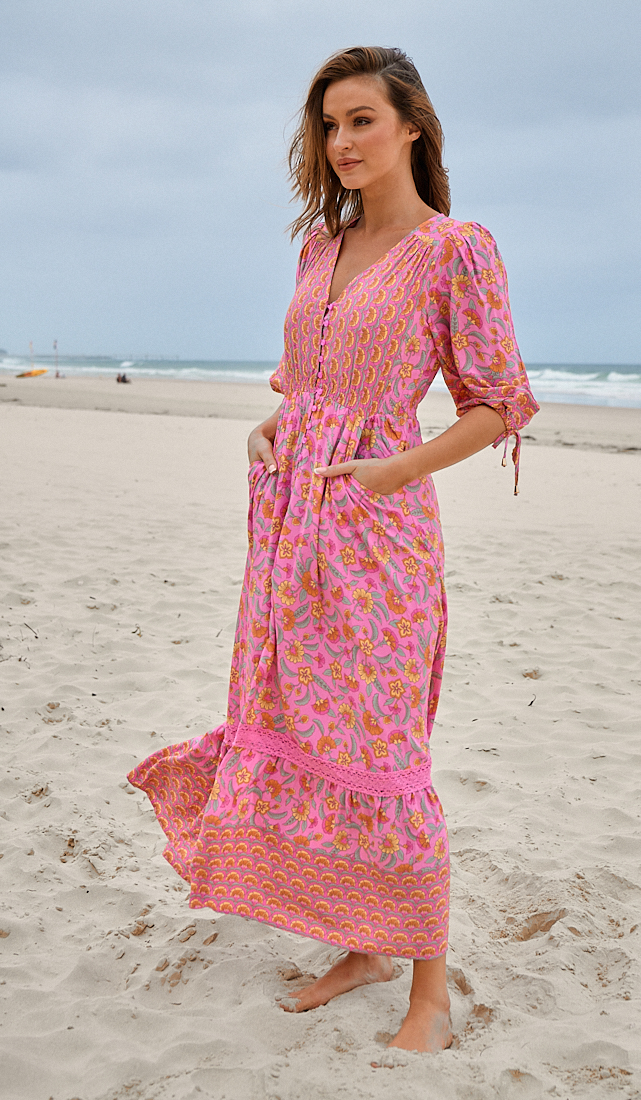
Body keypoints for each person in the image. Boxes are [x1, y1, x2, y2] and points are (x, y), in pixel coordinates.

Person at [128, 45, 538, 1054]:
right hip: (284, 529)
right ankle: (363, 947)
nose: (341, 141)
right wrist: (271, 426)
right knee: (305, 733)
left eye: (361, 120)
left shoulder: (454, 249)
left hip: (375, 537)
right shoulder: (320, 243)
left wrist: (396, 471)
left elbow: (497, 402)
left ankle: (428, 991)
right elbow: (308, 384)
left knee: (384, 751)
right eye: (328, 124)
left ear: (411, 127)